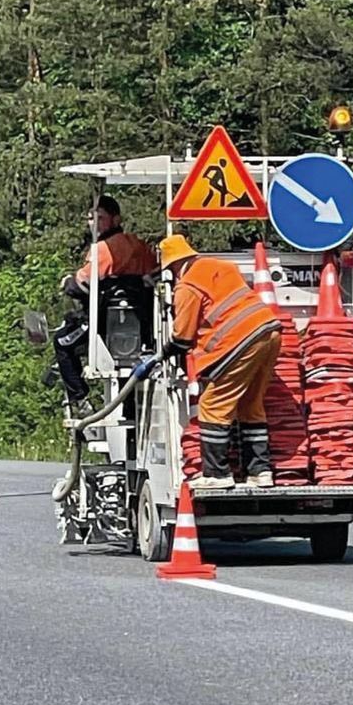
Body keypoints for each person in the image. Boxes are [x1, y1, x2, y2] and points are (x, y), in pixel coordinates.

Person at [156, 234, 282, 489]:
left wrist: (164, 352)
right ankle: (260, 471)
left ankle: (216, 473)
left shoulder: (187, 285)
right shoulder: (220, 266)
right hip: (269, 331)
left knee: (212, 405)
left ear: (172, 265)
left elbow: (182, 337)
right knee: (251, 404)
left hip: (239, 340)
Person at [54, 195, 157, 413]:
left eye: (99, 218)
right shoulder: (139, 245)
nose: (93, 223)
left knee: (62, 342)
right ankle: (129, 408)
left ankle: (80, 399)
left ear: (116, 219)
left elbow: (80, 283)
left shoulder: (103, 249)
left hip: (105, 323)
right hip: (141, 326)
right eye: (90, 218)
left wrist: (67, 282)